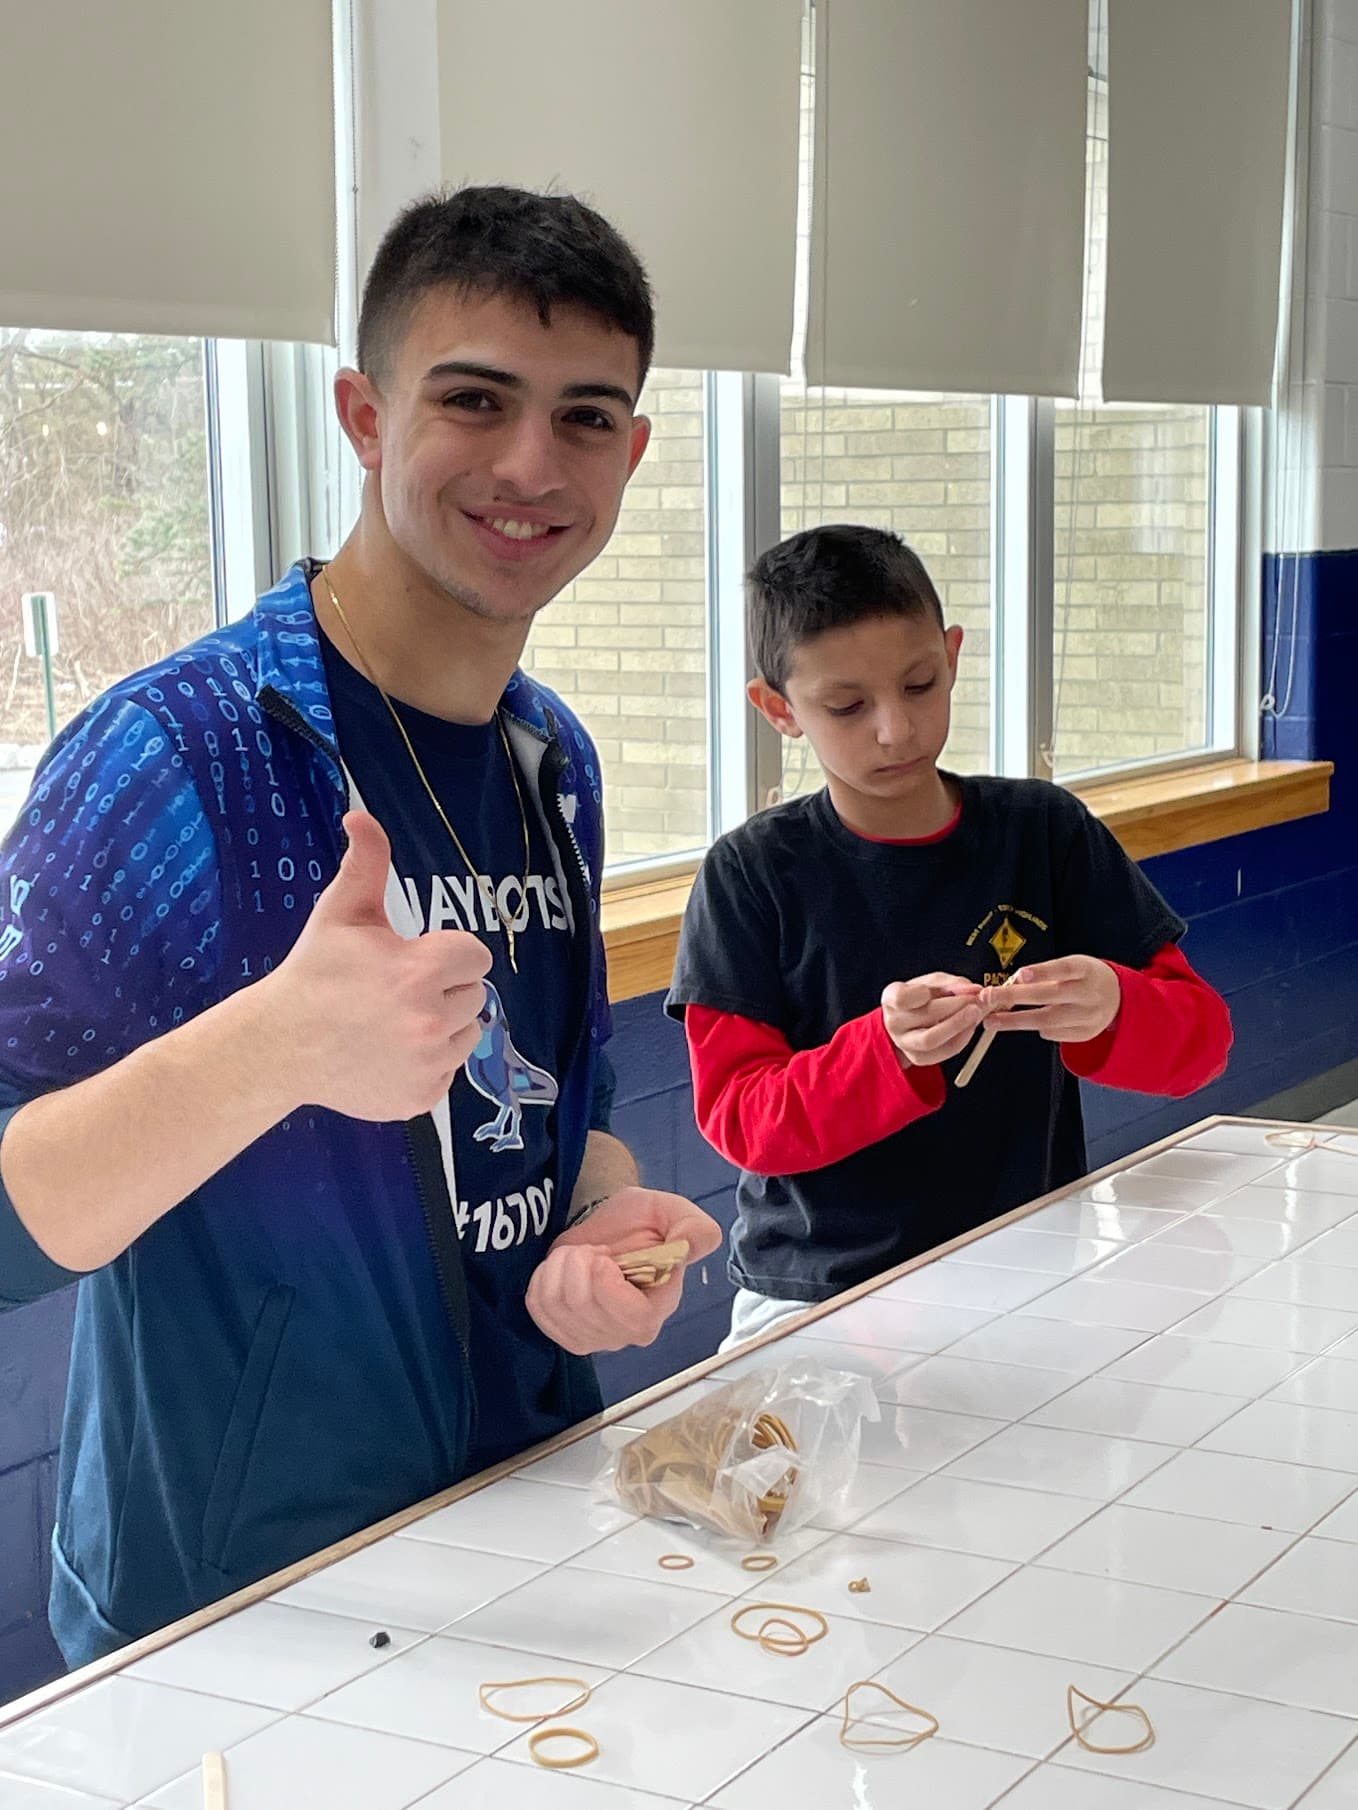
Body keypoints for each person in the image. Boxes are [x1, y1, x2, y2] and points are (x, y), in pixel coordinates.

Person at [0, 185, 720, 1667]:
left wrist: (597, 1217)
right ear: (365, 413)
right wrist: (269, 1048)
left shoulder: (550, 759)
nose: (532, 463)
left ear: (632, 451)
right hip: (240, 1609)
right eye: (475, 398)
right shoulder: (176, 758)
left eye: (587, 416)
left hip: (522, 1530)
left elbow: (545, 1120)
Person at [667, 524, 1232, 1349]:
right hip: (818, 1293)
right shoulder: (751, 874)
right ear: (779, 709)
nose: (896, 730)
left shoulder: (1044, 832)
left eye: (921, 684)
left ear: (953, 655)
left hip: (1027, 1266)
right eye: (847, 706)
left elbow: (1203, 1044)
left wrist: (1116, 1005)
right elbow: (741, 1117)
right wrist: (887, 1051)